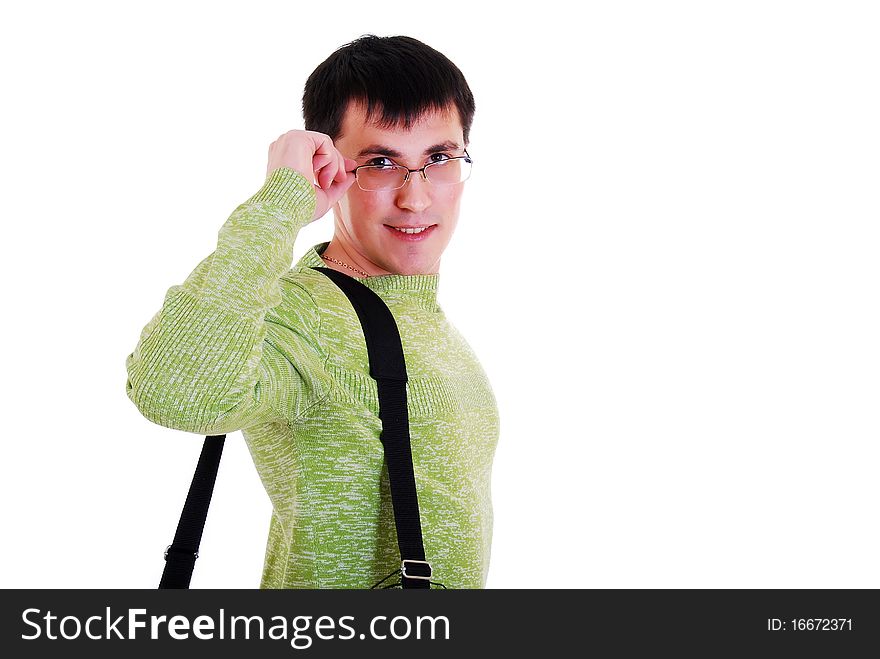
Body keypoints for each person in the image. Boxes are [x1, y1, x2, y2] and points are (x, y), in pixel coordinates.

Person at [125, 34, 499, 589]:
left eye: (439, 158)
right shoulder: (300, 313)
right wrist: (281, 203)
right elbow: (173, 390)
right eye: (379, 162)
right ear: (333, 167)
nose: (416, 198)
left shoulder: (429, 321)